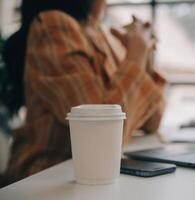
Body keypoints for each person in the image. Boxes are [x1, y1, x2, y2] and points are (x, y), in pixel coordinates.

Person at [1, 0, 166, 186]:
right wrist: (136, 53)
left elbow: (153, 121)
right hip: (44, 180)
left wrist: (145, 54)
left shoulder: (102, 35)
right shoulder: (53, 24)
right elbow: (99, 134)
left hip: (90, 178)